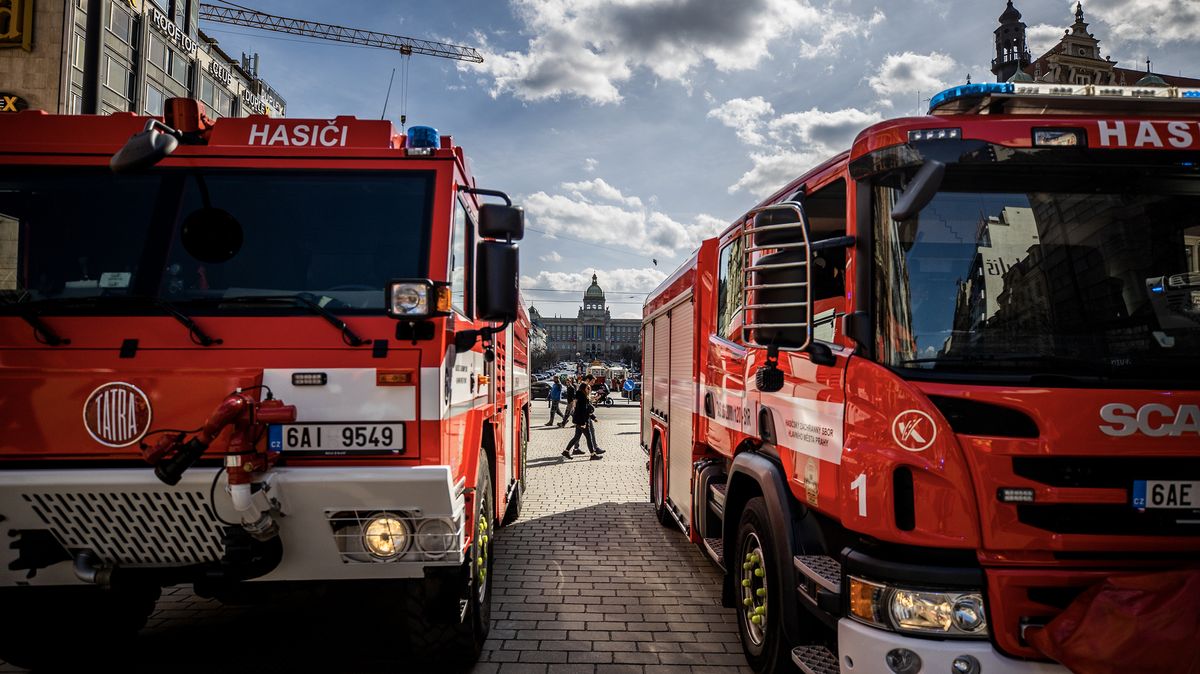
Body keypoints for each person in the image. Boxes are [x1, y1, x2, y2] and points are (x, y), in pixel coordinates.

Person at [562, 377, 605, 459]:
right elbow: (582, 411)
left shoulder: (583, 397)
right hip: (582, 421)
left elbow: (587, 409)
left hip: (580, 421)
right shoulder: (582, 398)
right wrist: (583, 423)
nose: (588, 389)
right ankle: (593, 455)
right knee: (588, 438)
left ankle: (566, 451)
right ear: (583, 389)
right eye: (587, 388)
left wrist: (593, 417)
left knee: (576, 437)